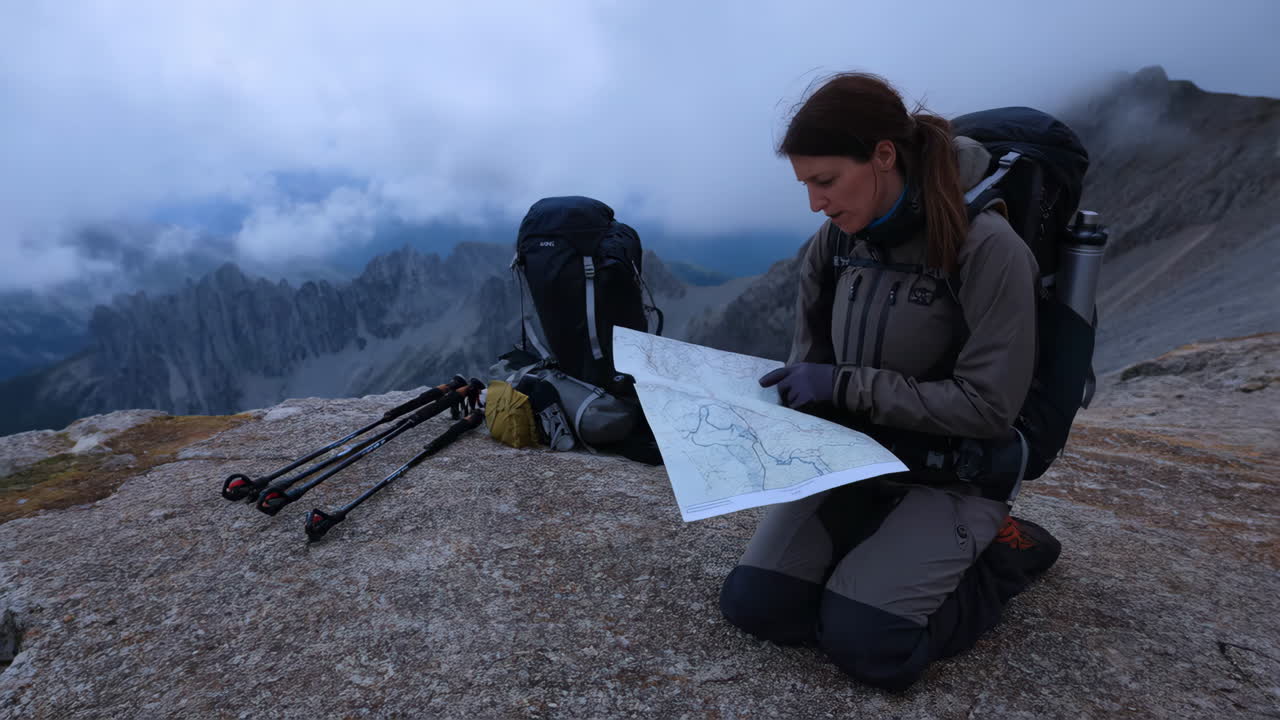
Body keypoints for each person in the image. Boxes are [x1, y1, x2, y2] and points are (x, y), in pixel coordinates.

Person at [718, 72, 1062, 691]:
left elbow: (988, 406)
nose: (815, 204)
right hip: (857, 463)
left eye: (825, 181)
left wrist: (844, 387)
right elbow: (810, 367)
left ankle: (1005, 552)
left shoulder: (988, 247)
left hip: (954, 473)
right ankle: (881, 541)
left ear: (883, 156)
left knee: (868, 643)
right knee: (758, 605)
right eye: (806, 185)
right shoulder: (834, 245)